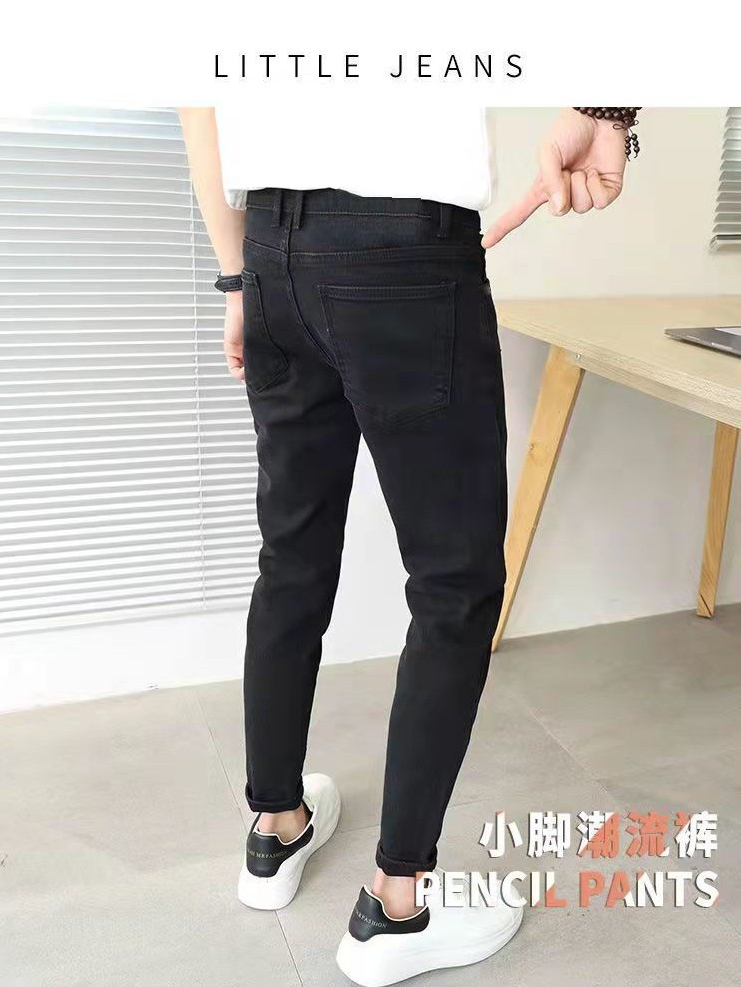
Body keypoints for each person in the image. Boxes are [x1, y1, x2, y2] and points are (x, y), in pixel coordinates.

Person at [179, 103, 630, 986]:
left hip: (270, 254)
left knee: (292, 554)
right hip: (406, 252)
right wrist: (607, 111)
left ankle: (274, 829)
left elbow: (202, 105)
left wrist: (237, 279)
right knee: (454, 584)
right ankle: (396, 905)